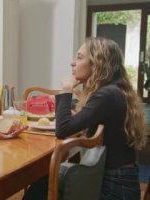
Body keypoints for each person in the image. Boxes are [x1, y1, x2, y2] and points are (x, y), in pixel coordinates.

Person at [24, 37, 147, 200]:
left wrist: (66, 89)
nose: (72, 63)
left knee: (41, 186)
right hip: (119, 178)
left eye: (80, 57)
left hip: (114, 187)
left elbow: (63, 129)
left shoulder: (107, 94)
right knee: (43, 183)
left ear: (97, 64)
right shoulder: (114, 90)